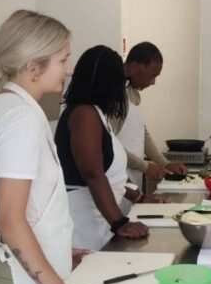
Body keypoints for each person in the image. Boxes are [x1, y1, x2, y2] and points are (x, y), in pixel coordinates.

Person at [0, 10, 105, 284]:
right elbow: (11, 220)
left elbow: (31, 211)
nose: (69, 69)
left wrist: (60, 248)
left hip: (26, 274)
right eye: (63, 59)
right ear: (33, 67)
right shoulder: (21, 119)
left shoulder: (12, 108)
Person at [55, 45, 150, 251]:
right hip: (83, 228)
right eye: (119, 80)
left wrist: (140, 197)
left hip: (100, 224)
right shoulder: (84, 115)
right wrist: (120, 223)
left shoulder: (96, 114)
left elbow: (112, 174)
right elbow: (93, 174)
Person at [114, 41, 186, 185]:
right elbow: (111, 145)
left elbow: (142, 133)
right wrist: (145, 166)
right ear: (134, 67)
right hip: (118, 179)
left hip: (133, 179)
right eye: (152, 76)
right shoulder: (115, 96)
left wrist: (165, 164)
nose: (152, 82)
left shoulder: (133, 92)